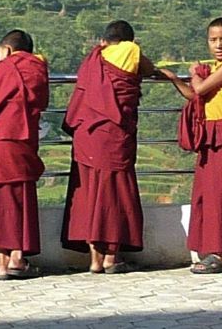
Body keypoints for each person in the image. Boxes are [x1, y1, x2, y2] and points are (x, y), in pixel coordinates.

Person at [61, 20, 153, 274]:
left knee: (90, 193)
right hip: (114, 135)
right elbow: (148, 68)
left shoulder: (93, 60)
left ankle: (95, 260)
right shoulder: (131, 51)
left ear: (103, 41)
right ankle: (112, 257)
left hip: (88, 133)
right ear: (130, 41)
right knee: (115, 193)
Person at [164, 18, 222, 274]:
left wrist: (194, 73)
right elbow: (195, 96)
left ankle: (220, 254)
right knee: (209, 193)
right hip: (211, 135)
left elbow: (201, 88)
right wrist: (173, 79)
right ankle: (220, 249)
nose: (219, 45)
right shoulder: (217, 68)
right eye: (213, 40)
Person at [0, 30, 51, 279]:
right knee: (19, 197)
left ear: (6, 50)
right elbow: (41, 102)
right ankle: (17, 257)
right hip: (19, 138)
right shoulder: (36, 69)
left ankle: (2, 263)